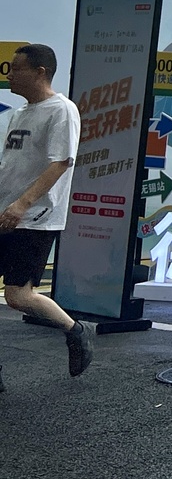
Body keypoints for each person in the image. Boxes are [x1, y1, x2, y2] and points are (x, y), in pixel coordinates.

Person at [0, 44, 93, 386]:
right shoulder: (19, 114)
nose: (9, 74)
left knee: (18, 296)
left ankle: (75, 330)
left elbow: (61, 163)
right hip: (5, 211)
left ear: (40, 72)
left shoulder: (62, 110)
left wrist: (22, 204)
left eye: (17, 68)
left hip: (34, 217)